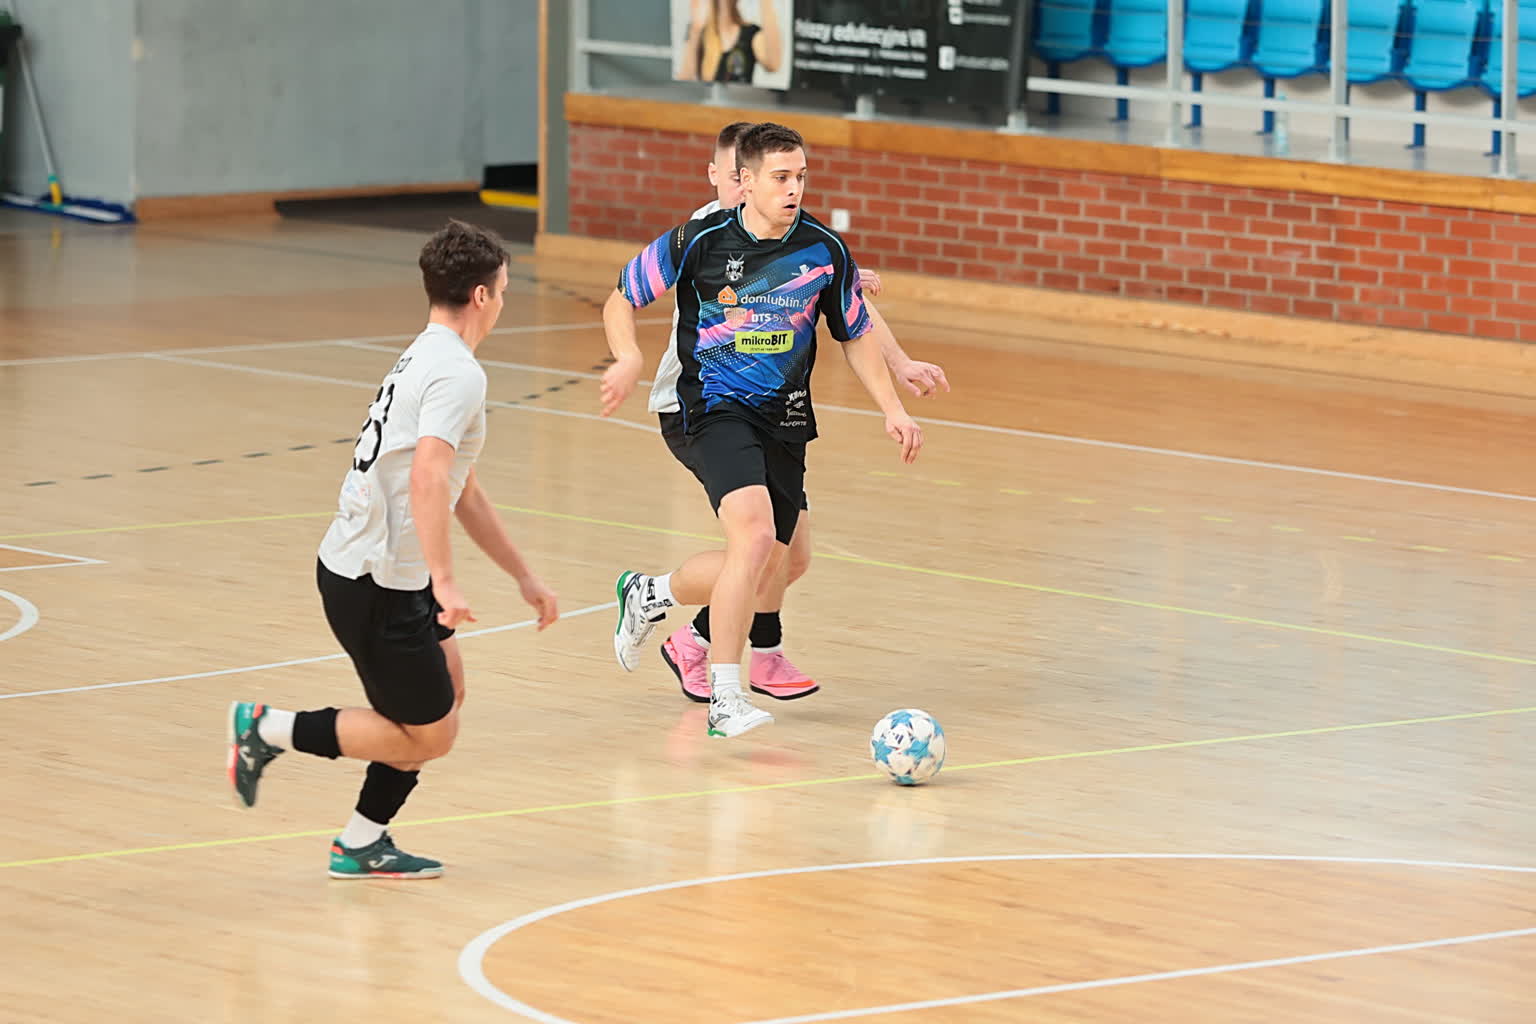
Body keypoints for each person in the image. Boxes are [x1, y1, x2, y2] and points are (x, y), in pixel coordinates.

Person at [226, 220, 560, 879]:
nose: (503, 300)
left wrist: (522, 575)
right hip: (375, 582)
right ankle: (265, 729)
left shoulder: (427, 355)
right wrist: (446, 580)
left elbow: (461, 488)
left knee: (446, 692)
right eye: (503, 290)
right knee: (431, 732)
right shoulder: (457, 373)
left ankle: (362, 841)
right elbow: (428, 477)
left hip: (385, 575)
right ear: (482, 296)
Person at [600, 121, 923, 739]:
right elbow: (622, 298)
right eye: (781, 177)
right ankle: (726, 696)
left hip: (785, 417)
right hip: (712, 408)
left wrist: (893, 406)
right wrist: (629, 357)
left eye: (800, 176)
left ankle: (651, 593)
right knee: (752, 538)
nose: (794, 188)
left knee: (779, 558)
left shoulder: (824, 249)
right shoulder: (699, 238)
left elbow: (854, 332)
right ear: (743, 182)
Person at [678, 0, 782, 84]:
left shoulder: (751, 34)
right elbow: (684, 84)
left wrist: (766, 3)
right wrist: (695, 30)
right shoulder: (700, 34)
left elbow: (773, 65)